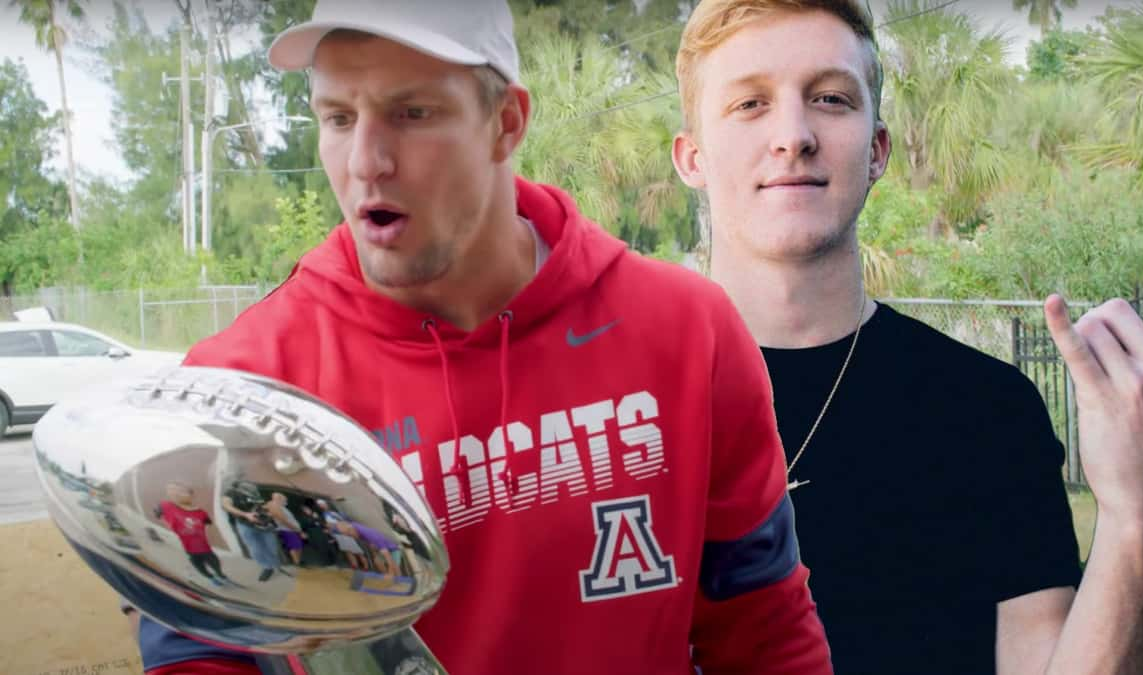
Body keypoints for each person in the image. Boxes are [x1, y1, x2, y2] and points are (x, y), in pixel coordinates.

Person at [130, 1, 833, 673]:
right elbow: (195, 652)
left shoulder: (687, 331)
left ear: (506, 121)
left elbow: (762, 624)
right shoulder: (245, 385)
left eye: (412, 113)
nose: (366, 160)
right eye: (338, 117)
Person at [669, 1, 1143, 674]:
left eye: (830, 98)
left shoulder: (988, 412)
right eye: (750, 104)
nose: (793, 134)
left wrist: (1136, 517)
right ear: (692, 157)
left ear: (878, 148)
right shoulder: (607, 409)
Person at [157, 481, 229, 587]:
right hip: (188, 547)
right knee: (199, 565)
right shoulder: (165, 506)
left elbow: (208, 524)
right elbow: (158, 515)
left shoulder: (200, 512)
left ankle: (220, 574)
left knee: (214, 562)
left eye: (183, 492)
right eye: (171, 490)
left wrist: (206, 535)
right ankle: (211, 578)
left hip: (204, 546)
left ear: (191, 496)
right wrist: (169, 527)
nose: (177, 493)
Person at [220, 480, 285, 583]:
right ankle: (267, 567)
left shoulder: (259, 489)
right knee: (255, 550)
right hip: (245, 525)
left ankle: (276, 565)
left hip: (264, 523)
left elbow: (274, 500)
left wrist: (272, 510)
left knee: (272, 546)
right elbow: (226, 505)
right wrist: (245, 515)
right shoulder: (231, 492)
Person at [265, 492, 306, 567]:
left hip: (292, 529)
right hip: (287, 529)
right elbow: (283, 521)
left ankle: (299, 561)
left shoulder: (282, 507)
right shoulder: (274, 506)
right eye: (283, 498)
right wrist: (295, 529)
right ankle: (298, 563)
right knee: (295, 546)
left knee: (298, 546)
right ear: (277, 499)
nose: (285, 500)